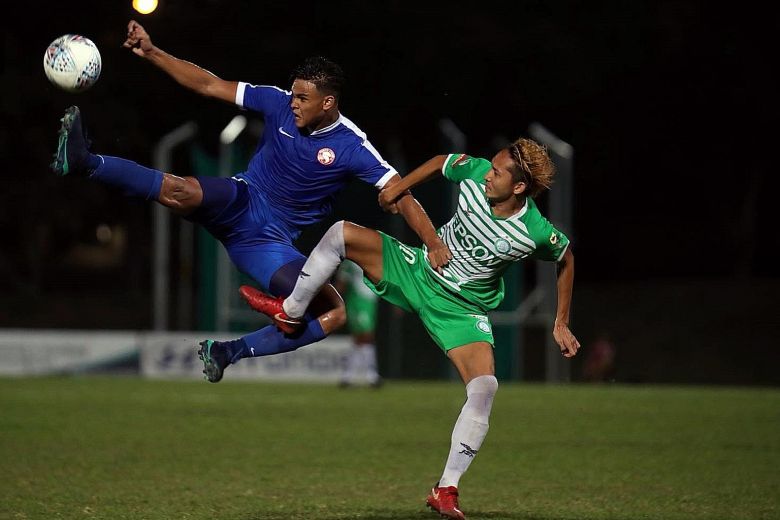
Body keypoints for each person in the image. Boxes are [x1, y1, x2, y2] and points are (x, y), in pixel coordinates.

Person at [50, 20, 451, 383]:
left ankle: (228, 352)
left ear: (327, 103)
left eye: (302, 98)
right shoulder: (277, 102)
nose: (292, 102)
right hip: (242, 199)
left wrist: (433, 242)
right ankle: (87, 162)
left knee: (335, 313)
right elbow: (209, 85)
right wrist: (153, 52)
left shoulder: (352, 146)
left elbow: (401, 192)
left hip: (268, 243)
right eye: (293, 94)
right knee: (182, 190)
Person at [240, 137, 580, 520]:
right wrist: (398, 189)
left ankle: (446, 489)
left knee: (485, 388)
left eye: (498, 173)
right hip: (420, 269)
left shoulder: (534, 230)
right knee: (340, 233)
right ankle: (291, 311)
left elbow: (565, 258)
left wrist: (561, 320)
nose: (488, 174)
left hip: (462, 309)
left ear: (518, 187)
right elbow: (440, 160)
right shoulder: (476, 170)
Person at [334, 260, 382, 388]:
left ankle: (347, 377)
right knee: (366, 335)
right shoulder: (350, 261)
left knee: (360, 339)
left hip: (371, 301)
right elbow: (342, 282)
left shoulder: (374, 255)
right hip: (357, 300)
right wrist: (334, 301)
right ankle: (372, 377)